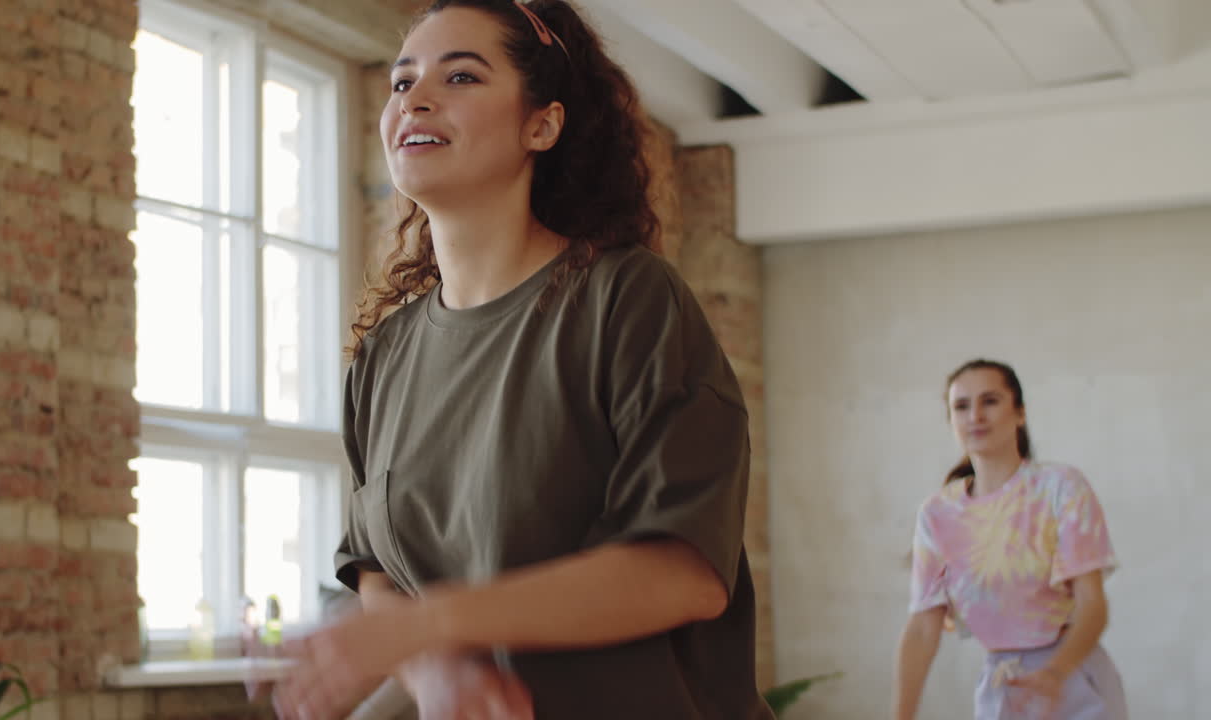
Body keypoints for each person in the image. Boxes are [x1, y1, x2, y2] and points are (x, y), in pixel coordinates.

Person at [267, 2, 772, 718]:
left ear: (543, 124)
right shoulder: (381, 357)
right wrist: (430, 660)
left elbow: (683, 573)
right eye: (401, 82)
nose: (416, 98)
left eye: (462, 76)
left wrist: (433, 622)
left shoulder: (627, 300)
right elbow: (376, 568)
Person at [894, 359, 1127, 720]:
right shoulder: (937, 514)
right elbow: (924, 628)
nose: (975, 416)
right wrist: (902, 715)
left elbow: (1093, 607)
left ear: (1020, 413)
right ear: (951, 422)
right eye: (961, 406)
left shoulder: (1061, 488)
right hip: (1003, 688)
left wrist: (1055, 673)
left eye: (990, 401)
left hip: (1075, 679)